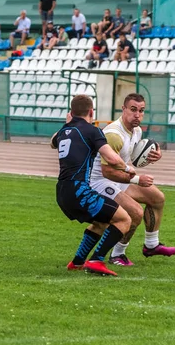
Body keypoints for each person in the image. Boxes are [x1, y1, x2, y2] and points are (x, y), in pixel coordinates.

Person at [88, 93, 175, 267]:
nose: (137, 115)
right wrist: (137, 180)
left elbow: (134, 160)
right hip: (99, 181)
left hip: (118, 178)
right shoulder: (114, 134)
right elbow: (107, 172)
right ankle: (117, 254)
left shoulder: (136, 131)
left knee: (157, 198)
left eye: (142, 111)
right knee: (135, 212)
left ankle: (151, 245)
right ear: (123, 109)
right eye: (133, 109)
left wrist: (153, 156)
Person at [52, 95, 136, 276]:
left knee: (101, 222)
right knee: (124, 219)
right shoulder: (92, 131)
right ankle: (96, 260)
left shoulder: (64, 131)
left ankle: (77, 262)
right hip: (80, 191)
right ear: (91, 112)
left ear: (71, 113)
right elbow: (111, 158)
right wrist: (128, 169)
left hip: (62, 192)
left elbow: (53, 142)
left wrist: (67, 124)